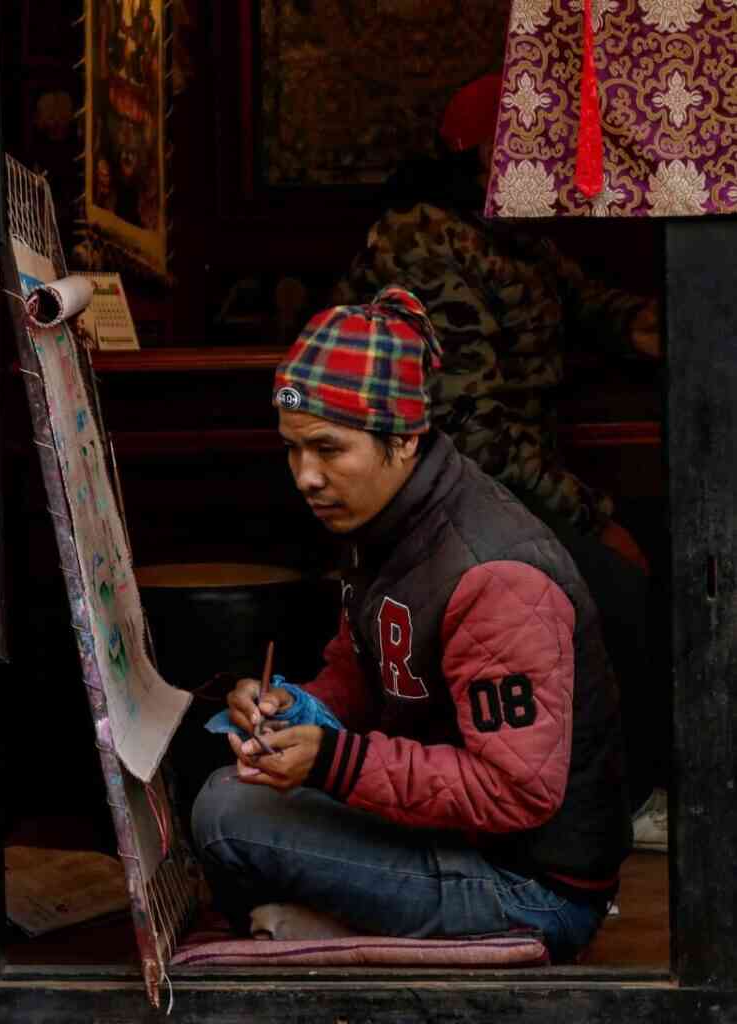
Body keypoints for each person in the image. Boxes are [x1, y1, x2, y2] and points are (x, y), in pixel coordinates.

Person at [191, 287, 632, 963]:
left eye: (328, 450)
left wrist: (334, 762)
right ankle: (344, 923)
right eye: (291, 451)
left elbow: (514, 790)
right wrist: (295, 707)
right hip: (458, 840)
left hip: (530, 886)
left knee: (229, 818)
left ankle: (357, 928)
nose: (306, 476)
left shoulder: (494, 573)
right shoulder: (387, 521)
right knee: (232, 788)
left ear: (404, 442)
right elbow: (361, 664)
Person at [333, 74, 667, 850]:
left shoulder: (514, 240)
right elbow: (471, 427)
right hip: (448, 492)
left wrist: (657, 320)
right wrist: (591, 516)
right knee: (613, 586)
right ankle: (630, 799)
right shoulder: (423, 241)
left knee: (665, 553)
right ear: (478, 155)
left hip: (509, 484)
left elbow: (595, 306)